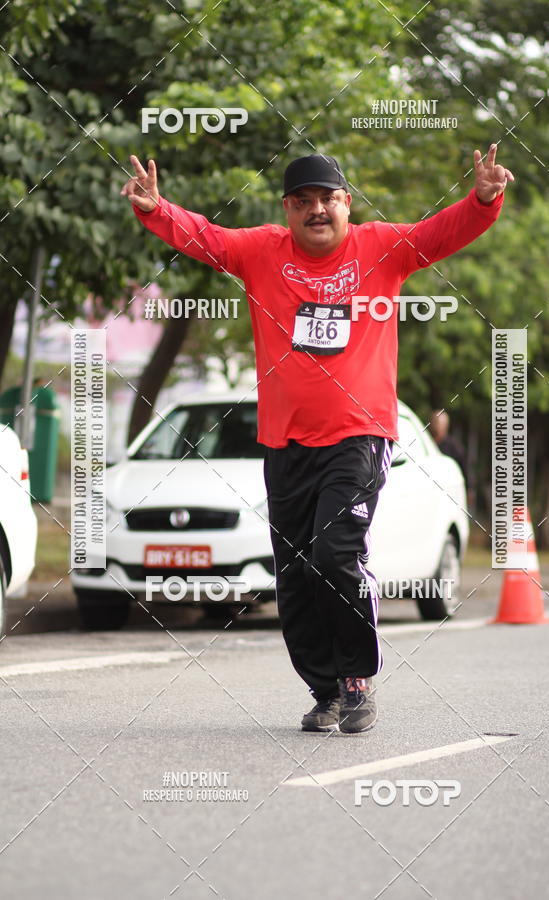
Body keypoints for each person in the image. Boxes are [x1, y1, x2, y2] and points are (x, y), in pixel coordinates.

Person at [121, 145, 514, 734]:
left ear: (347, 203)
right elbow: (207, 238)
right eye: (303, 201)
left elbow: (442, 232)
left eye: (328, 199)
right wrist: (157, 209)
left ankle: (357, 680)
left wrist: (482, 200)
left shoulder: (381, 247)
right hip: (285, 442)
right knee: (296, 574)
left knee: (334, 554)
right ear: (288, 210)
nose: (317, 210)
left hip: (358, 436)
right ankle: (324, 689)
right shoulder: (262, 252)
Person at [429, 409, 467, 480]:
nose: (435, 426)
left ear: (445, 425)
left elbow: (464, 471)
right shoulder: (426, 442)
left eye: (437, 423)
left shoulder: (455, 448)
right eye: (433, 422)